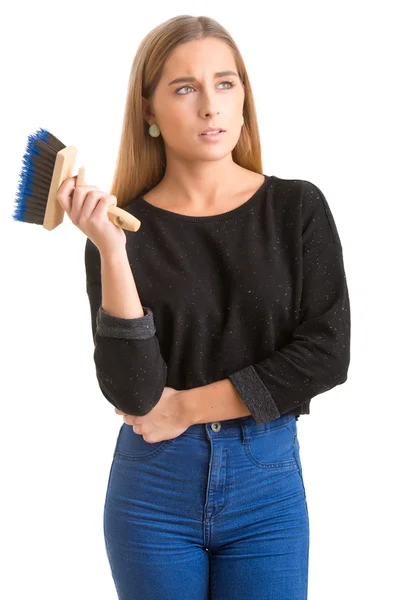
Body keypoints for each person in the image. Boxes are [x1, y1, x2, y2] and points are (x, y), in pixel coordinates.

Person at [56, 14, 351, 600]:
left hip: (267, 485)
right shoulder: (119, 230)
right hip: (153, 490)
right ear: (149, 111)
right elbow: (134, 395)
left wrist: (188, 406)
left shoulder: (296, 208)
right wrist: (113, 252)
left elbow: (326, 356)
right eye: (185, 88)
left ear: (244, 97)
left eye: (225, 83)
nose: (210, 106)